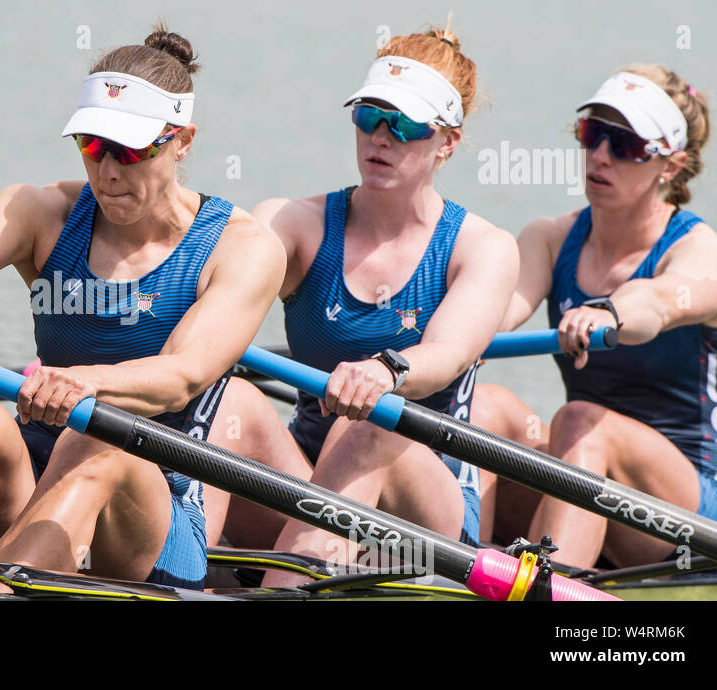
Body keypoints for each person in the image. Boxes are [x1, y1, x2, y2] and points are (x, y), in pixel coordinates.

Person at [0, 26, 283, 594]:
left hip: (156, 515)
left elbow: (179, 377)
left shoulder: (242, 247)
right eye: (91, 144)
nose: (107, 171)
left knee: (97, 439)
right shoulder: (45, 213)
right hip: (37, 474)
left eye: (131, 151)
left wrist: (85, 383)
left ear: (182, 140)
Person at [202, 24, 519, 585]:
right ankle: (172, 576)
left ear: (447, 141)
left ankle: (283, 588)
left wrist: (387, 370)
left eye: (406, 124)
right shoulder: (291, 223)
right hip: (308, 480)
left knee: (370, 423)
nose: (382, 137)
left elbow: (446, 353)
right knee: (233, 400)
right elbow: (210, 288)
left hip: (425, 516)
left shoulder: (483, 248)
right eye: (369, 115)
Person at [473, 66, 717, 568]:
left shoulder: (708, 253)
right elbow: (492, 315)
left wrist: (609, 310)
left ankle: (547, 585)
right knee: (486, 405)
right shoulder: (550, 237)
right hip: (586, 473)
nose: (599, 156)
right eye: (593, 135)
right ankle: (460, 569)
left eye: (626, 145)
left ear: (670, 166)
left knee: (578, 420)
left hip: (697, 518)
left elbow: (658, 302)